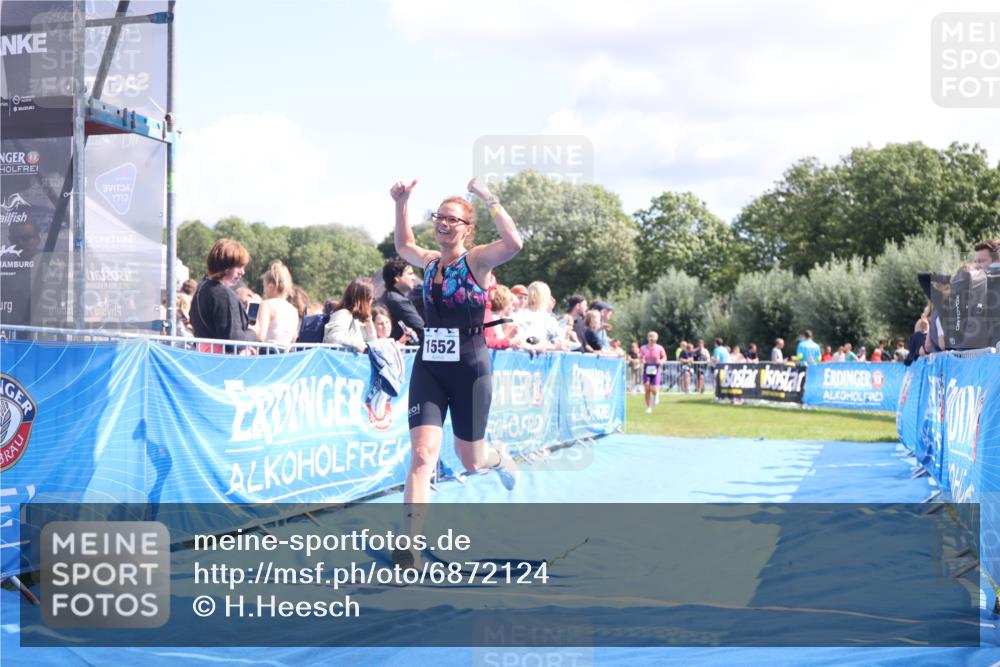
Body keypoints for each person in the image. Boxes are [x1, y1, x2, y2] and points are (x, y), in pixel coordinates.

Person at [391, 176, 523, 564]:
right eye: (440, 217)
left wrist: (488, 196)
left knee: (471, 460)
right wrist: (402, 203)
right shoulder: (430, 262)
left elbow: (514, 244)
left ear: (467, 228)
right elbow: (403, 245)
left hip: (470, 367)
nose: (444, 224)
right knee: (422, 454)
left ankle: (498, 457)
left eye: (453, 219)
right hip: (430, 366)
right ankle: (410, 544)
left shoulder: (477, 260)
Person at [189, 239, 259, 350]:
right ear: (225, 265)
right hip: (221, 359)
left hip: (203, 355)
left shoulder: (202, 288)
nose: (242, 272)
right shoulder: (223, 295)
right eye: (239, 266)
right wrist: (254, 332)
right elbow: (234, 343)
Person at [255, 260, 300, 349]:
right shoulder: (294, 310)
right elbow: (293, 339)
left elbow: (260, 337)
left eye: (264, 286)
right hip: (285, 355)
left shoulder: (266, 305)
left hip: (267, 354)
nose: (264, 290)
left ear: (271, 286)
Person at [323, 278, 377, 352]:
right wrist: (354, 344)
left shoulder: (363, 320)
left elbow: (374, 348)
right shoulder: (343, 314)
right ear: (363, 300)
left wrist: (371, 331)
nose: (372, 302)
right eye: (371, 298)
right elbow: (334, 337)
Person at [380, 256, 425, 341]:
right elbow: (421, 328)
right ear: (397, 277)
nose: (414, 278)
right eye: (410, 274)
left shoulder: (387, 296)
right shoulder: (399, 301)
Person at [484, 285, 521, 350]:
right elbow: (495, 343)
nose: (512, 307)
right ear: (505, 303)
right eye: (511, 303)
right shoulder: (494, 319)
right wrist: (509, 341)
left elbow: (497, 341)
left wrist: (509, 336)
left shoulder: (494, 318)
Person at [640, 331, 667, 413]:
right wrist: (642, 360)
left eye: (653, 337)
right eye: (650, 336)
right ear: (647, 338)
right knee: (647, 388)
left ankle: (656, 394)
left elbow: (664, 357)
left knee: (654, 389)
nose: (651, 338)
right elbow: (640, 357)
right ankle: (648, 407)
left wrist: (661, 361)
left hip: (656, 369)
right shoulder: (643, 348)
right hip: (647, 368)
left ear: (656, 338)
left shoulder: (660, 348)